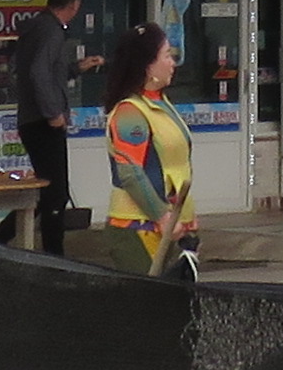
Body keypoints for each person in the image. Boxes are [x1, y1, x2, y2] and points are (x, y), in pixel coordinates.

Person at [83, 24, 198, 279]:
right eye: (167, 55)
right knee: (149, 301)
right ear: (148, 66)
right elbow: (130, 173)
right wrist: (163, 216)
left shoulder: (160, 102)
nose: (173, 63)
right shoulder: (130, 112)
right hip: (139, 228)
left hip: (170, 227)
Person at [18, 0, 87, 255]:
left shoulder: (37, 26)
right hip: (42, 122)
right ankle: (54, 256)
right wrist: (53, 113)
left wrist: (76, 68)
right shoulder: (51, 31)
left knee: (47, 192)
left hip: (31, 119)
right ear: (74, 4)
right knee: (56, 193)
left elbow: (47, 72)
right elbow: (38, 73)